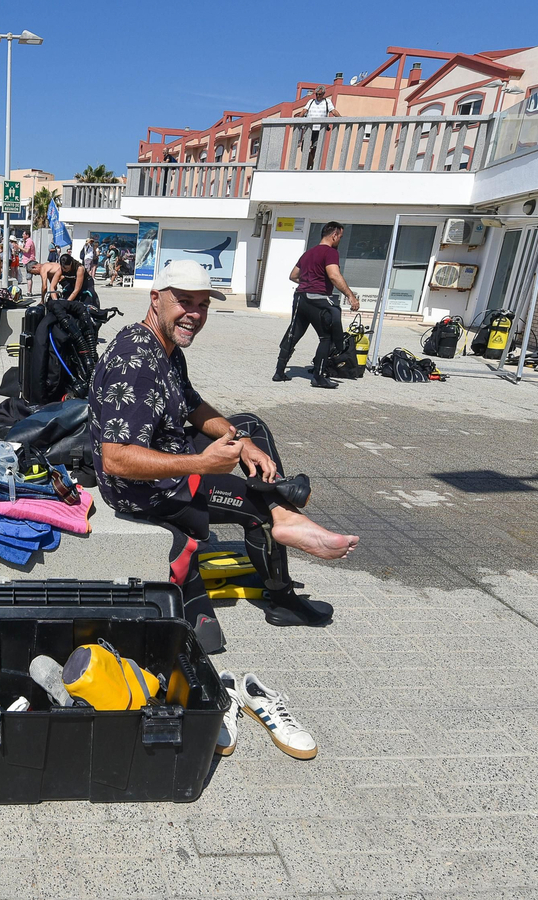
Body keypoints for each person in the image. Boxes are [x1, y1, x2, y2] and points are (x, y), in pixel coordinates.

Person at [90, 259, 358, 652]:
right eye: (184, 302)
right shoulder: (137, 363)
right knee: (258, 509)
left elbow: (193, 406)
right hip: (145, 491)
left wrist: (239, 440)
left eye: (203, 305)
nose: (194, 314)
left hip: (166, 458)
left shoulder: (162, 345)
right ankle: (282, 579)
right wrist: (202, 464)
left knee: (250, 428)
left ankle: (283, 512)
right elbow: (116, 458)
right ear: (155, 299)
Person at [277, 222, 359, 389]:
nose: (340, 240)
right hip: (318, 299)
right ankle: (319, 377)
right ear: (334, 235)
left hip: (300, 297)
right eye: (340, 237)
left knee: (293, 333)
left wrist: (308, 282)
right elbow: (334, 276)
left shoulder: (308, 253)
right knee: (326, 337)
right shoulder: (330, 252)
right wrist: (350, 296)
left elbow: (293, 276)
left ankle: (279, 372)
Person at [293, 86, 339, 170]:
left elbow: (333, 111)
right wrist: (299, 118)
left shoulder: (327, 102)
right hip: (309, 128)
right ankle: (311, 163)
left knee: (315, 148)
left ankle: (310, 166)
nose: (318, 96)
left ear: (323, 94)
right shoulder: (311, 101)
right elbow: (304, 110)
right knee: (304, 148)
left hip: (320, 129)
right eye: (317, 94)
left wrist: (341, 118)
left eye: (320, 94)